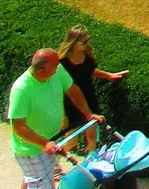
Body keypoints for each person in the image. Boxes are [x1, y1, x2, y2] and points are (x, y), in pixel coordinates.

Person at [8, 48, 102, 189]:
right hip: (31, 149)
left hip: (52, 140)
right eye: (55, 65)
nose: (59, 66)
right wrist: (45, 143)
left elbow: (72, 88)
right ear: (43, 70)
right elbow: (19, 127)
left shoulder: (57, 71)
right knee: (43, 183)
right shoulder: (21, 90)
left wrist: (88, 114)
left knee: (34, 176)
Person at [58, 24, 127, 148]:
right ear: (74, 43)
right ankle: (55, 162)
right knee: (71, 139)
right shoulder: (63, 61)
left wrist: (109, 75)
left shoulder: (87, 55)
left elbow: (88, 70)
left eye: (88, 39)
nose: (87, 43)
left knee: (92, 135)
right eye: (84, 41)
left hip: (89, 96)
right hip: (71, 100)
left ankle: (91, 161)